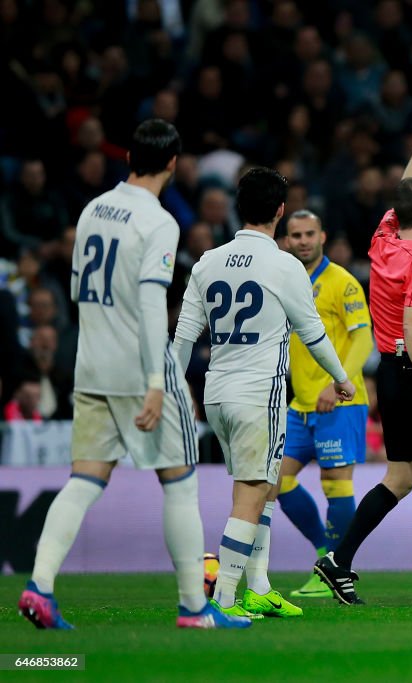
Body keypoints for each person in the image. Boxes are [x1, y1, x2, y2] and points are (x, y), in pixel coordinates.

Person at [19, 119, 250, 630]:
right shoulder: (159, 221)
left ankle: (39, 586)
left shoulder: (92, 209)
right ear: (172, 163)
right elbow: (150, 304)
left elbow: (81, 290)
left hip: (91, 362)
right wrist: (154, 380)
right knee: (181, 481)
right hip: (139, 365)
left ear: (127, 159)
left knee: (84, 478)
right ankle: (194, 607)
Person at [173, 167, 356, 619]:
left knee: (265, 487)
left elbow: (182, 338)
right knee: (253, 493)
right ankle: (223, 600)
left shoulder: (207, 261)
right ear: (280, 211)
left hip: (216, 394)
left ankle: (259, 585)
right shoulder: (284, 264)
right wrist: (342, 377)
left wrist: (173, 389)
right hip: (260, 396)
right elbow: (313, 334)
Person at [314, 102, 412, 606]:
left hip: (391, 370)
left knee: (402, 475)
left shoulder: (384, 240)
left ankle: (338, 561)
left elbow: (407, 191)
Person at [277, 210, 373, 598]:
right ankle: (325, 558)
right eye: (295, 234)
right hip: (300, 404)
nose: (302, 240)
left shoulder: (343, 283)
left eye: (309, 233)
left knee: (336, 485)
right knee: (277, 480)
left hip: (340, 403)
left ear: (323, 236)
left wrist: (339, 384)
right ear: (286, 240)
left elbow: (363, 338)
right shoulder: (287, 282)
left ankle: (338, 567)